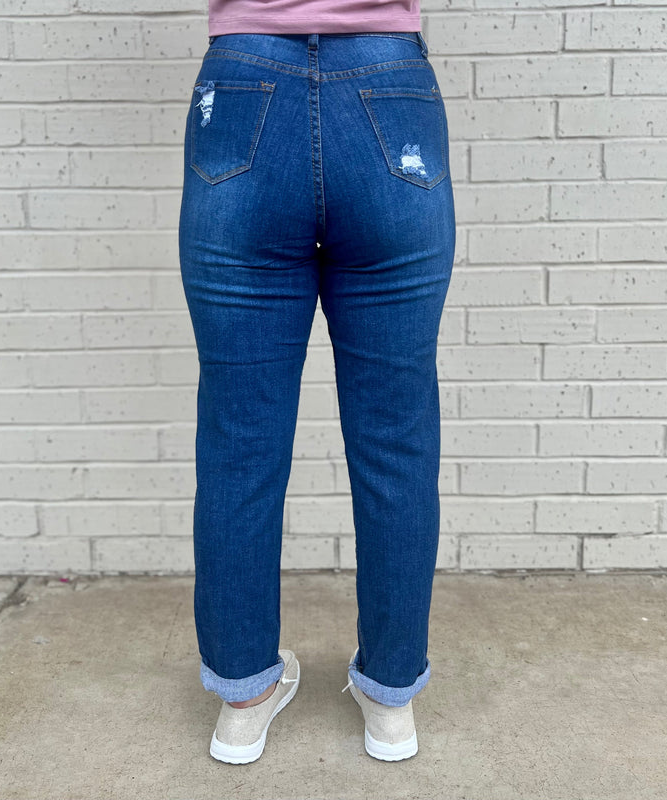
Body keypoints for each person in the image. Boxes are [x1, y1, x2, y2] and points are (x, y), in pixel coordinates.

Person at [177, 0, 455, 765]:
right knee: (396, 439)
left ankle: (243, 699)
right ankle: (389, 702)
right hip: (388, 86)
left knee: (239, 440)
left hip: (240, 91)